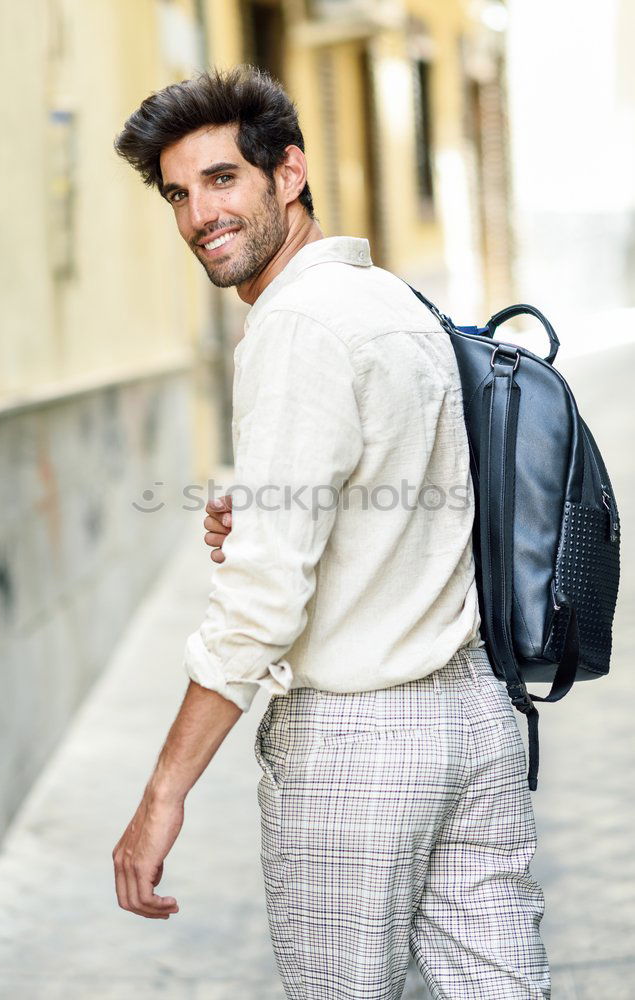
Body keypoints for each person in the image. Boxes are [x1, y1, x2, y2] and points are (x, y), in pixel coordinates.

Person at [111, 64, 551, 999]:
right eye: (179, 194)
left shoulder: (297, 325)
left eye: (222, 179)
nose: (199, 216)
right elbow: (403, 489)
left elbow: (261, 605)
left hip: (360, 745)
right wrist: (276, 512)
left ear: (289, 172)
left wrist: (161, 796)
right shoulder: (387, 298)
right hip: (473, 717)